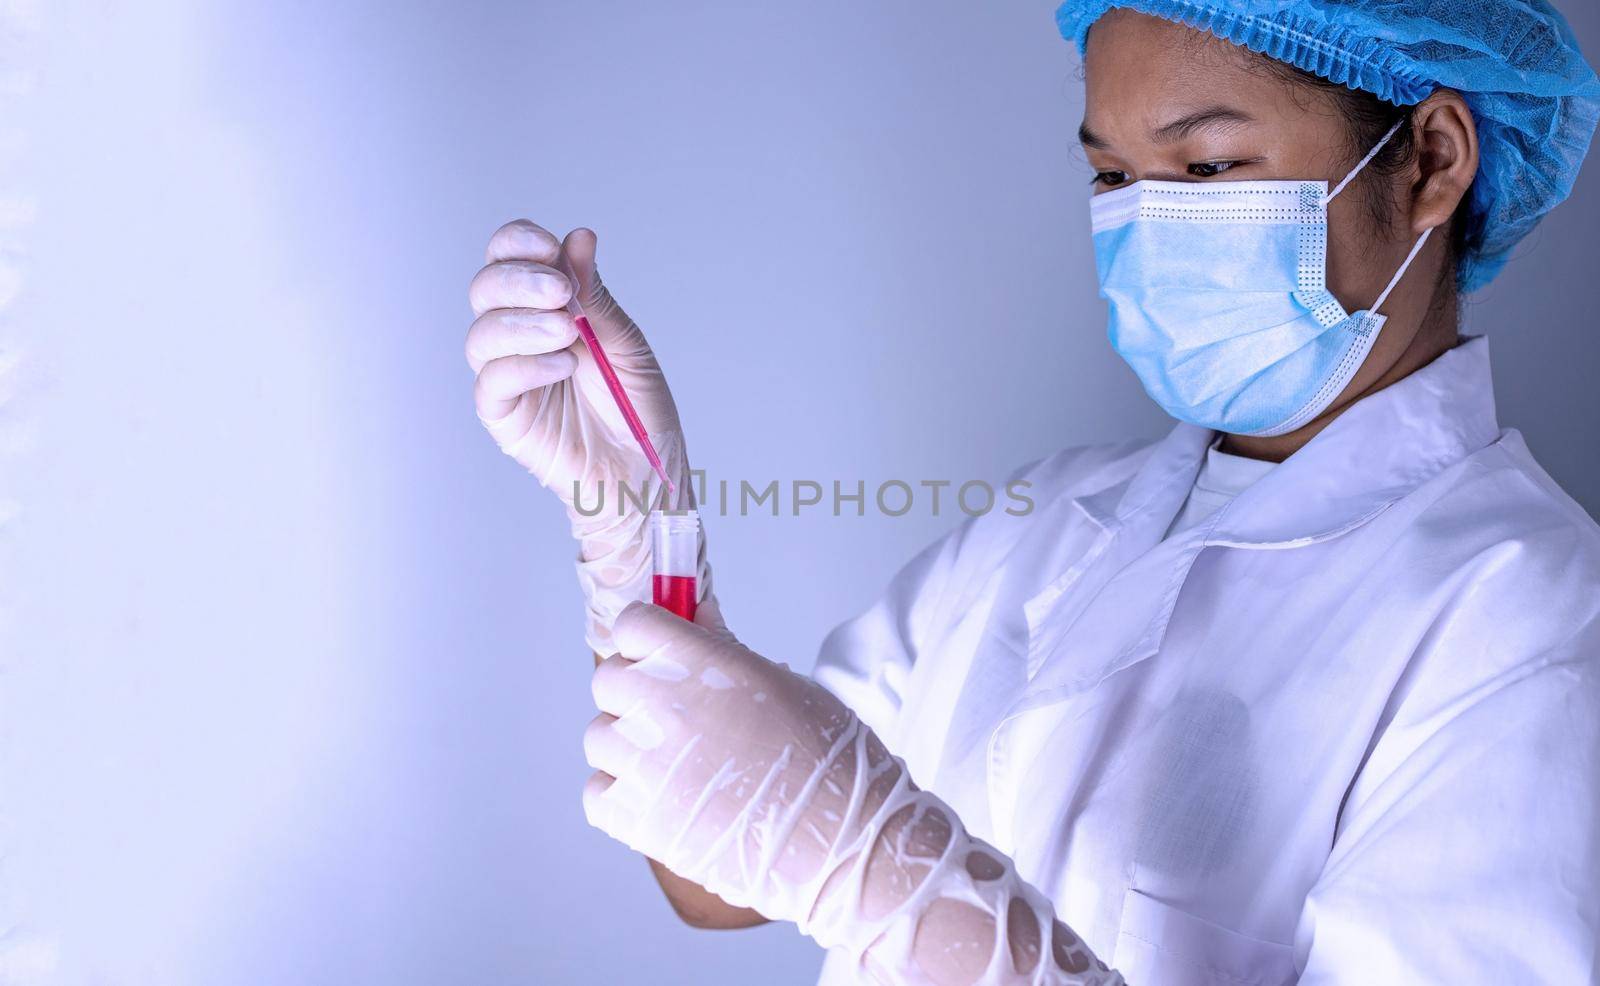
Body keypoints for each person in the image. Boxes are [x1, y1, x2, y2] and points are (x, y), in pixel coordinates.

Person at [463, 1, 1600, 983]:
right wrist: (634, 534)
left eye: (1203, 168)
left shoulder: (1531, 621)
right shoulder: (1046, 525)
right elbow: (713, 866)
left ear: (1432, 160)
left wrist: (877, 874)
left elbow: (823, 853)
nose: (1144, 221)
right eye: (1110, 174)